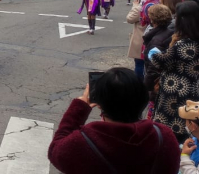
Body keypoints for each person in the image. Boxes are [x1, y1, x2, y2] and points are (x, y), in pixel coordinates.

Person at [47, 67, 180, 174]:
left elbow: (55, 152)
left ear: (98, 103)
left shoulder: (83, 142)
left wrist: (79, 108)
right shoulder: (163, 136)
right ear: (143, 99)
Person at [148, 1, 199, 141]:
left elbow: (160, 61)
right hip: (192, 86)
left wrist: (154, 53)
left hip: (175, 91)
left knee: (171, 128)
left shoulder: (183, 44)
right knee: (188, 124)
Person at [126, 0, 157, 80]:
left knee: (140, 64)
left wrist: (135, 6)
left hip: (141, 38)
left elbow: (130, 19)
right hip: (156, 37)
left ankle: (140, 84)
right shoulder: (157, 3)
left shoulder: (141, 6)